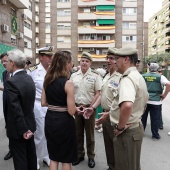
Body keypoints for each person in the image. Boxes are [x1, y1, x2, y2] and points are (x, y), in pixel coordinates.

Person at [108, 47, 148, 170]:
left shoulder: (128, 79)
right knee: (132, 165)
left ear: (126, 59)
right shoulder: (136, 75)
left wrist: (120, 127)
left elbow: (127, 105)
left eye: (116, 59)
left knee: (125, 166)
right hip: (133, 128)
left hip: (127, 132)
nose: (114, 62)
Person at [86, 47, 122, 170]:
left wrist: (110, 114)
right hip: (105, 116)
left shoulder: (121, 77)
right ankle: (111, 166)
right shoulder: (107, 76)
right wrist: (93, 107)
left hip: (115, 117)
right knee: (108, 145)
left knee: (117, 146)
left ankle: (117, 167)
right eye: (108, 58)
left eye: (112, 58)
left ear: (118, 60)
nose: (108, 61)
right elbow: (102, 95)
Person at [41, 50, 77, 170]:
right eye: (71, 62)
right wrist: (77, 108)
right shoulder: (68, 83)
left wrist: (55, 105)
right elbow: (71, 111)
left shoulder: (47, 80)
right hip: (64, 123)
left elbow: (43, 103)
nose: (72, 65)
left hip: (50, 120)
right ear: (66, 64)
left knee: (54, 157)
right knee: (66, 159)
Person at [5, 49, 37, 170]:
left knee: (20, 161)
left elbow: (16, 109)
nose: (6, 64)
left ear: (12, 63)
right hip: (30, 125)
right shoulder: (29, 78)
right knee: (31, 158)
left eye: (7, 61)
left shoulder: (11, 82)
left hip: (19, 129)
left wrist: (24, 130)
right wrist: (28, 129)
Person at [70, 52, 102, 168]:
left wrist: (90, 107)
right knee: (77, 133)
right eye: (82, 60)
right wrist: (74, 106)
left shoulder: (95, 75)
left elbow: (98, 93)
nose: (84, 62)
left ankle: (91, 156)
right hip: (77, 108)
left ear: (90, 63)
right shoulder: (74, 76)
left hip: (90, 108)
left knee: (90, 134)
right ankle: (80, 155)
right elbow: (71, 93)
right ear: (80, 62)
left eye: (87, 61)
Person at [29, 46, 53, 169]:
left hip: (51, 105)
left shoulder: (53, 71)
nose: (50, 58)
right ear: (40, 57)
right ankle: (37, 159)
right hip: (38, 105)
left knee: (49, 133)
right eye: (48, 56)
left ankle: (47, 157)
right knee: (39, 134)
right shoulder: (32, 71)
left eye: (51, 56)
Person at [142, 63, 170, 140]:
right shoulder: (160, 77)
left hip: (145, 101)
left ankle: (141, 133)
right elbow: (168, 84)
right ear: (157, 69)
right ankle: (155, 135)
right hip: (156, 101)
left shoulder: (143, 76)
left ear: (149, 68)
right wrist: (164, 95)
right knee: (155, 119)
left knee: (143, 118)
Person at [0, 53, 12, 161]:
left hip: (16, 106)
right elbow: (7, 88)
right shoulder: (4, 73)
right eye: (2, 61)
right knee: (8, 128)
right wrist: (1, 88)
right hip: (6, 105)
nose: (4, 63)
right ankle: (11, 150)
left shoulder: (16, 73)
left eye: (5, 61)